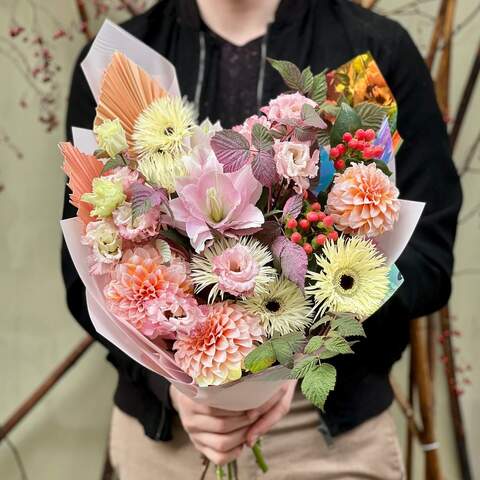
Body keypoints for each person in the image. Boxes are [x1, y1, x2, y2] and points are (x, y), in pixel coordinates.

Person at [62, 0, 462, 478]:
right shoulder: (121, 65)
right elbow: (84, 265)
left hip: (324, 434)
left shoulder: (367, 53)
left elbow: (426, 257)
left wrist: (303, 352)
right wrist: (170, 388)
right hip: (169, 434)